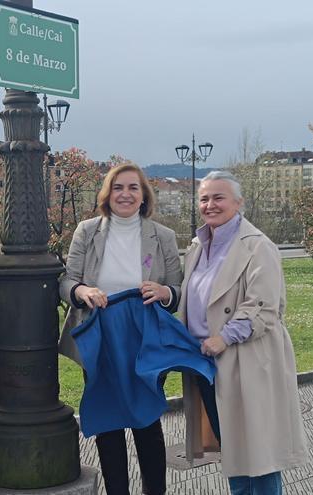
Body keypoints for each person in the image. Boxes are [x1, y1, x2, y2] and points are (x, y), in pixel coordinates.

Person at [179, 170, 308, 495]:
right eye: (204, 198)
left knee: (260, 455)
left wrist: (224, 337)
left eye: (218, 197)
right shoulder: (197, 245)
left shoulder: (258, 246)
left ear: (239, 202)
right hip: (207, 365)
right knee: (233, 451)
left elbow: (264, 308)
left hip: (248, 361)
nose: (210, 204)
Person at [59, 163, 182, 495]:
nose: (125, 194)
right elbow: (67, 281)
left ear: (143, 196)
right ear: (107, 194)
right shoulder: (87, 231)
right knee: (108, 422)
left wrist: (165, 292)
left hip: (146, 342)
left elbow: (177, 292)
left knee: (147, 421)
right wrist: (81, 292)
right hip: (100, 340)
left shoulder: (164, 237)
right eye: (118, 187)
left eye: (133, 188)